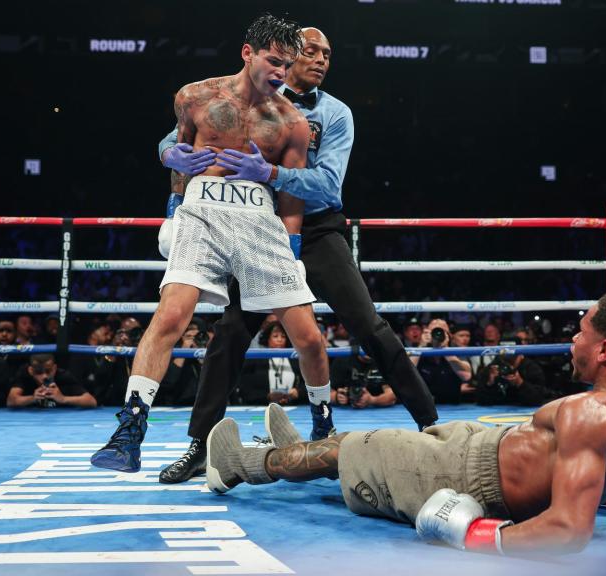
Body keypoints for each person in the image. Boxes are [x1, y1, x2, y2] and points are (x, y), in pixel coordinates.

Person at [156, 25, 437, 484]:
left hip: (320, 230)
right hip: (258, 228)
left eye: (328, 53)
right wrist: (172, 154)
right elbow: (173, 139)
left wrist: (268, 171)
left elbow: (329, 184)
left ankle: (429, 422)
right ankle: (199, 446)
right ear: (284, 56)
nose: (321, 60)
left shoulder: (336, 114)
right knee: (229, 334)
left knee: (368, 324)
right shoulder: (248, 95)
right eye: (311, 51)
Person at [206, 294, 606, 555]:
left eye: (581, 332)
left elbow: (568, 530)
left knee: (353, 447)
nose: (572, 341)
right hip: (483, 447)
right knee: (385, 443)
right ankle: (301, 452)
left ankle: (241, 464)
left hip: (466, 477)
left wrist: (475, 535)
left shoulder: (591, 415)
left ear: (605, 351)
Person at [91, 14, 331, 473]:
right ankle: (130, 430)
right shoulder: (194, 97)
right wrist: (171, 203)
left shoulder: (292, 123)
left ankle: (323, 427)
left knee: (310, 339)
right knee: (172, 315)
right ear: (248, 53)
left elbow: (292, 195)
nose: (281, 73)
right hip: (201, 209)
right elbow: (180, 158)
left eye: (286, 65)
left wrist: (293, 245)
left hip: (259, 218)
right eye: (273, 62)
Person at [411, 318, 472, 404]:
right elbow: (405, 374)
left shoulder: (456, 350)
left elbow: (466, 376)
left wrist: (446, 350)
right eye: (434, 331)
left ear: (449, 335)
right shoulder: (417, 351)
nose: (438, 335)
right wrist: (421, 346)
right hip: (422, 405)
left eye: (442, 331)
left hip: (452, 406)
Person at [7, 354, 97, 408]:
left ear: (54, 368)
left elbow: (91, 401)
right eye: (39, 372)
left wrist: (63, 399)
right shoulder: (24, 375)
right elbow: (10, 401)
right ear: (31, 370)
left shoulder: (63, 376)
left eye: (48, 371)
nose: (44, 376)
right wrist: (32, 398)